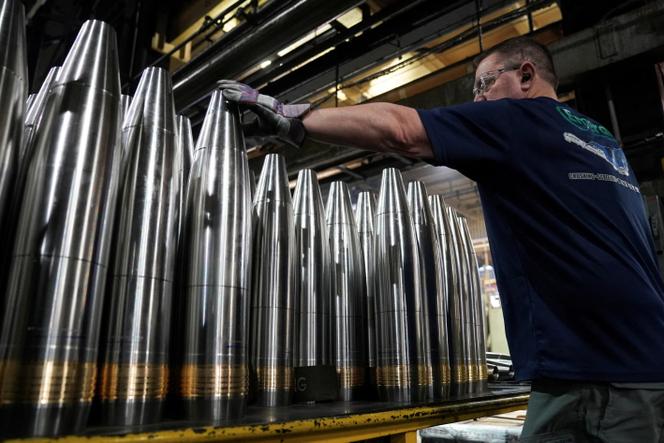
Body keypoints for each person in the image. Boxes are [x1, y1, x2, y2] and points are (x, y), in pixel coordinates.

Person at [219, 36, 664, 442]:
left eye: (484, 85)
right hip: (646, 362)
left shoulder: (518, 118)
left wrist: (292, 117)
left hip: (594, 376)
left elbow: (401, 131)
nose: (478, 100)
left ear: (526, 75)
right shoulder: (602, 142)